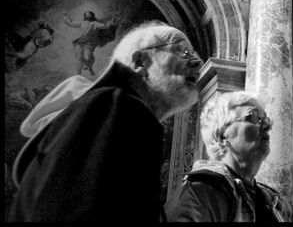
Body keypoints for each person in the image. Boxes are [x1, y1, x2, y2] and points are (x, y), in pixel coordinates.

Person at [9, 21, 203, 222]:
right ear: (140, 62)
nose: (197, 62)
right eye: (183, 52)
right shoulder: (117, 107)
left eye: (195, 55)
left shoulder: (109, 108)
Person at [165, 91, 293, 222]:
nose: (267, 126)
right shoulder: (199, 195)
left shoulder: (276, 202)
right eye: (253, 117)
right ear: (221, 136)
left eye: (266, 120)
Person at [64, 9, 122, 76]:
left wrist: (113, 19)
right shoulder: (81, 23)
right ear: (84, 16)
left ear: (91, 15)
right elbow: (70, 23)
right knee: (79, 57)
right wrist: (65, 16)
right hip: (78, 42)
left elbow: (106, 26)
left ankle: (89, 67)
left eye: (89, 14)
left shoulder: (94, 23)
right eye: (86, 14)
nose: (87, 15)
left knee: (88, 57)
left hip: (88, 44)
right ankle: (79, 74)